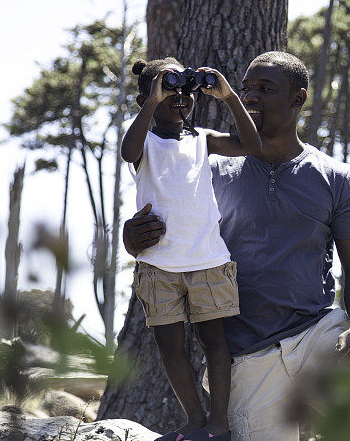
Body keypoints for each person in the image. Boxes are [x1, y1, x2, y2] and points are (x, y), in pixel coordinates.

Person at [124, 51, 350, 440]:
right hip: (244, 357)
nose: (251, 98)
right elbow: (165, 215)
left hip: (318, 333)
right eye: (246, 90)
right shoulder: (205, 167)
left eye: (265, 89)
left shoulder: (336, 178)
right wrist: (132, 238)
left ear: (298, 99)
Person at [121, 57, 262, 441]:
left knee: (215, 343)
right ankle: (195, 420)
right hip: (158, 265)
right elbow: (126, 151)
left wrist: (229, 96)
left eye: (185, 92)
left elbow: (251, 144)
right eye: (169, 93)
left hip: (207, 260)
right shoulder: (145, 141)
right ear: (146, 99)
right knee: (169, 346)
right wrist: (153, 101)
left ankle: (219, 424)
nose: (179, 98)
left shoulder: (203, 139)